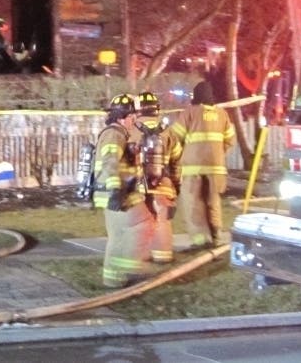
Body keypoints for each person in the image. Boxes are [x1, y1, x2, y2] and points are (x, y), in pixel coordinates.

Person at [166, 80, 236, 250]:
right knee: (213, 202)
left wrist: (176, 157)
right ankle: (216, 236)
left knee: (193, 204)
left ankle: (200, 241)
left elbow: (174, 137)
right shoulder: (222, 114)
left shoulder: (190, 113)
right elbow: (230, 139)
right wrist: (218, 154)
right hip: (216, 169)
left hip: (193, 168)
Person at [92, 93, 150, 288]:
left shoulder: (118, 134)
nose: (135, 121)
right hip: (115, 192)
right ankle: (122, 273)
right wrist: (116, 190)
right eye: (133, 116)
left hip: (116, 191)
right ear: (125, 116)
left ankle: (116, 277)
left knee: (120, 235)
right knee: (142, 224)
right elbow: (110, 162)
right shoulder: (114, 134)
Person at [134, 91, 182, 264]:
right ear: (156, 108)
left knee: (140, 221)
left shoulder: (130, 128)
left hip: (137, 185)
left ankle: (142, 256)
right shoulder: (167, 131)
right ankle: (163, 256)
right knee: (162, 219)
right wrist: (176, 184)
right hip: (164, 183)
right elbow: (176, 160)